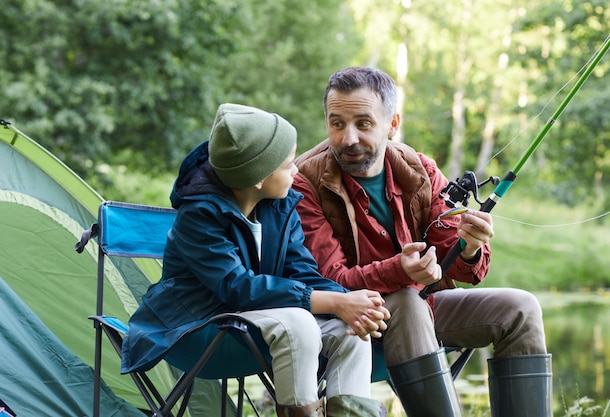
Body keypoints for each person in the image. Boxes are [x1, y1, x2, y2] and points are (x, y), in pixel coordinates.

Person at [293, 66, 552, 417]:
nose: (348, 138)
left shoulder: (419, 168)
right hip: (348, 322)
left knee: (521, 309)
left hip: (424, 310)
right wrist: (398, 270)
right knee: (406, 300)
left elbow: (465, 268)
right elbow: (330, 280)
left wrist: (472, 247)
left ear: (393, 123)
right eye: (337, 123)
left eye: (363, 124)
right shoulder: (304, 181)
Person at [120, 103, 391, 417]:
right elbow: (237, 288)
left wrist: (350, 303)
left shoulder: (279, 204)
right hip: (196, 332)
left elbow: (301, 271)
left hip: (255, 326)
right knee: (299, 322)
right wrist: (331, 301)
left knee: (349, 331)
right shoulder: (198, 217)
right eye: (288, 164)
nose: (297, 170)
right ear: (259, 176)